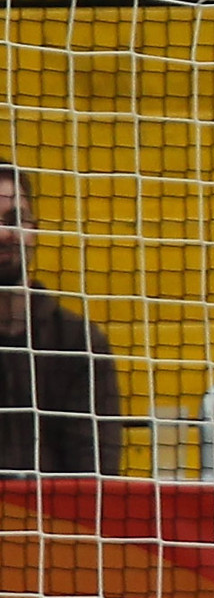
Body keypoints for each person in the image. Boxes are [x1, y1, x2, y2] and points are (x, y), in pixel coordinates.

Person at [0, 162, 124, 475]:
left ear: (34, 230)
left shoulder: (79, 344)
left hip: (55, 508)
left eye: (15, 219)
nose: (3, 234)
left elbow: (96, 469)